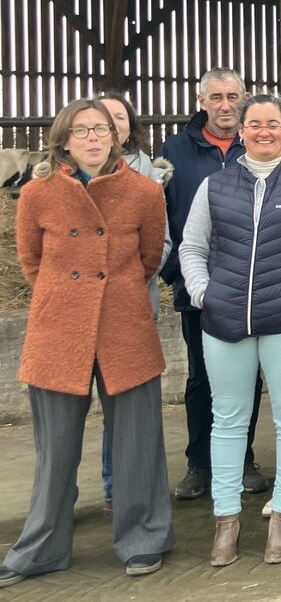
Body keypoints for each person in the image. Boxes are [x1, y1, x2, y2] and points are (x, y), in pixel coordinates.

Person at [1, 100, 172, 588]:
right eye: (82, 130)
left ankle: (143, 538)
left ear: (115, 138)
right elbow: (31, 263)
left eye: (101, 129)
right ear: (64, 139)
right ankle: (42, 547)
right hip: (59, 329)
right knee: (55, 449)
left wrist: (112, 293)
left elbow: (147, 259)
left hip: (124, 325)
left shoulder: (144, 192)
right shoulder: (36, 193)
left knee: (138, 443)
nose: (94, 137)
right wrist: (67, 298)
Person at [179, 94, 281, 567]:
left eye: (273, 123)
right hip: (225, 320)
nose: (263, 131)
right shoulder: (214, 186)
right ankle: (225, 519)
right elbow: (192, 246)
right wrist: (204, 292)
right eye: (255, 123)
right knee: (227, 419)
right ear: (241, 131)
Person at [160, 68, 268, 500]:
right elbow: (161, 219)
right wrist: (180, 275)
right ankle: (200, 463)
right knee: (202, 378)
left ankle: (242, 459)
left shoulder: (260, 146)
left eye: (234, 97)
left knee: (248, 377)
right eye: (217, 97)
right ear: (201, 100)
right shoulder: (175, 152)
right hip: (199, 289)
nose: (226, 106)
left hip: (252, 289)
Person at [96, 93, 173, 513]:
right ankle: (58, 496)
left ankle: (119, 489)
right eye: (99, 118)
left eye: (118, 118)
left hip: (132, 306)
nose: (109, 126)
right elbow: (36, 259)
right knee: (66, 412)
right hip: (75, 313)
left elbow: (158, 245)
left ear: (128, 127)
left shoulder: (150, 178)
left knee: (125, 405)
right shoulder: (60, 178)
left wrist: (123, 282)